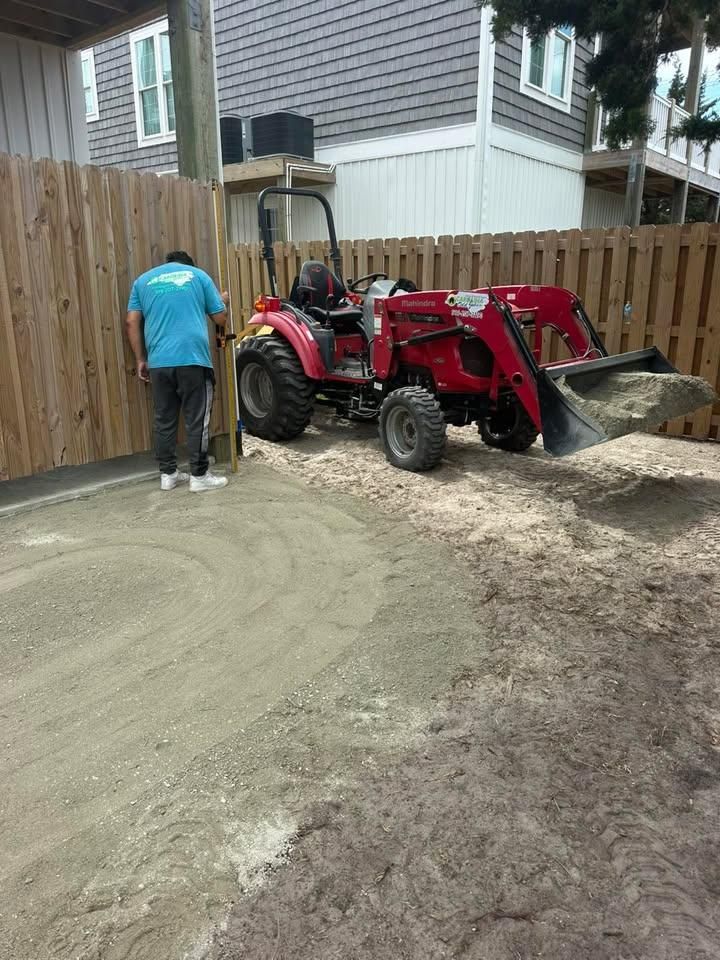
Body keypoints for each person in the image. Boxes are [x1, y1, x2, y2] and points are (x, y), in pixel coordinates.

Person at [125, 251, 230, 492]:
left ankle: (168, 474)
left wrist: (141, 359)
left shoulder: (143, 281)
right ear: (188, 265)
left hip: (159, 362)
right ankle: (199, 477)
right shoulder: (199, 276)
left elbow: (131, 322)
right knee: (197, 420)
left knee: (164, 419)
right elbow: (220, 319)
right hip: (192, 359)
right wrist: (222, 301)